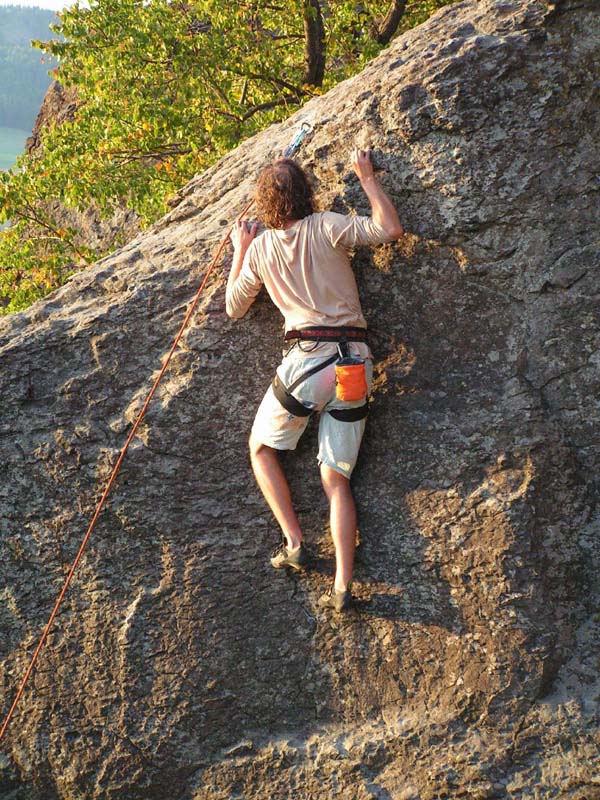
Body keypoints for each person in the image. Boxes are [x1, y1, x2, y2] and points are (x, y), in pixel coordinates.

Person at [226, 147, 403, 612]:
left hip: (306, 365)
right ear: (306, 193)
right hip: (353, 364)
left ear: (265, 205)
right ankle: (344, 585)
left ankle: (295, 542)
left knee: (261, 449)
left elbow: (234, 306)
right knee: (335, 480)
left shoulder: (262, 248)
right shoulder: (327, 225)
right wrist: (366, 178)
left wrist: (241, 250)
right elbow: (389, 229)